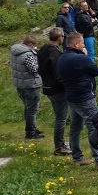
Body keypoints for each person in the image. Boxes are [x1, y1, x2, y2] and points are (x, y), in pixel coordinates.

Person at [57, 32, 98, 169]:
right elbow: (97, 71)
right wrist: (85, 56)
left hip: (71, 96)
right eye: (82, 43)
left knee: (75, 127)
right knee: (93, 125)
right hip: (84, 97)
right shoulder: (81, 59)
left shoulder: (62, 57)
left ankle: (77, 157)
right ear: (76, 44)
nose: (84, 45)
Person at [37, 28, 71, 156]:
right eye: (63, 36)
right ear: (59, 38)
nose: (63, 38)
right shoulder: (55, 54)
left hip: (47, 88)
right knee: (61, 119)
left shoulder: (43, 50)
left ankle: (60, 143)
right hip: (57, 90)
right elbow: (58, 75)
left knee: (59, 117)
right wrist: (65, 87)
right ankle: (59, 146)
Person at [9, 35, 44, 140]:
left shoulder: (15, 52)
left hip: (20, 85)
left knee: (27, 108)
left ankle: (32, 128)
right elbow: (33, 69)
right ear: (30, 45)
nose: (35, 48)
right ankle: (30, 132)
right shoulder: (28, 54)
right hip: (30, 85)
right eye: (34, 46)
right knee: (32, 110)